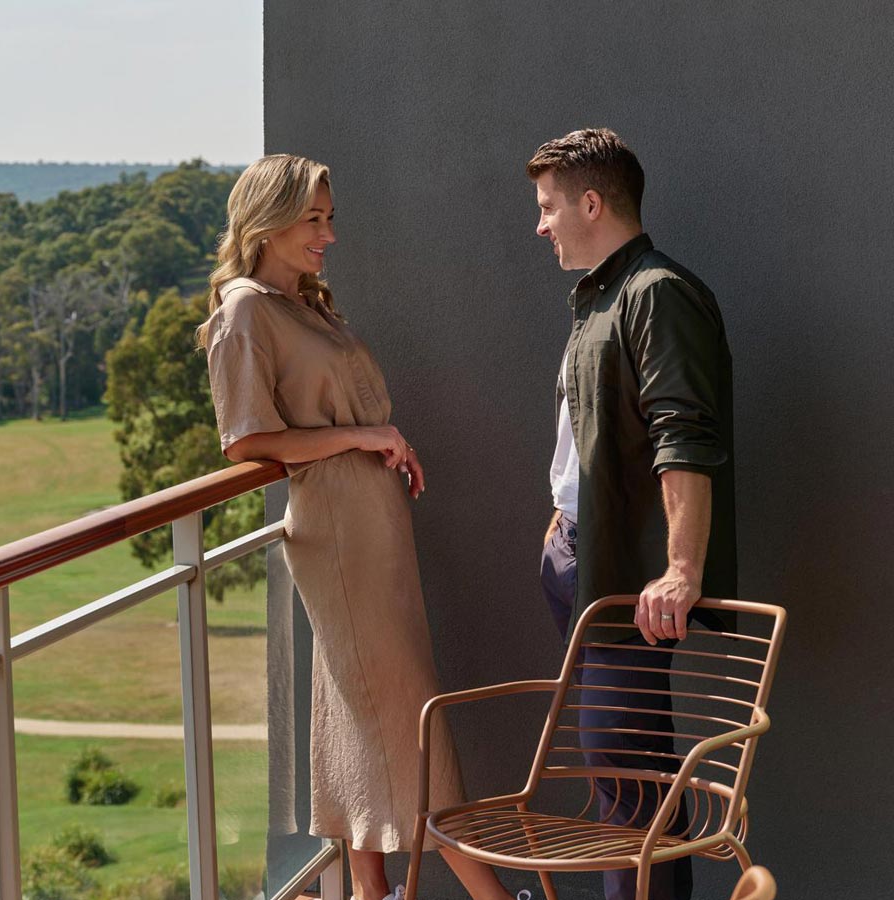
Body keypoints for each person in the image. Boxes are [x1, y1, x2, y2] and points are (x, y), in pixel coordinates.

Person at [201, 155, 518, 900]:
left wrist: (379, 441)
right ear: (267, 222)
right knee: (406, 710)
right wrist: (362, 437)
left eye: (329, 217)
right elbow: (245, 441)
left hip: (373, 526)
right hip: (337, 531)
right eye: (313, 219)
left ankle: (372, 890)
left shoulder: (304, 303)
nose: (329, 234)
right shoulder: (245, 311)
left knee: (361, 705)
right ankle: (493, 897)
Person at [529, 128, 736, 900]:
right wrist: (561, 520)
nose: (541, 225)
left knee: (627, 783)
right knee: (623, 777)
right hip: (580, 562)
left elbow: (684, 438)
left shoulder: (656, 294)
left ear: (592, 203)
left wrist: (681, 569)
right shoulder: (600, 296)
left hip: (624, 579)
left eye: (548, 207)